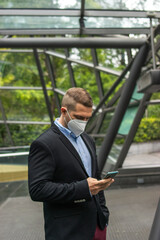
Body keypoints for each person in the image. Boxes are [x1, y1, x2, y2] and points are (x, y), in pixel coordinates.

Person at [28, 87, 114, 240]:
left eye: (88, 118)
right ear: (63, 111)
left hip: (97, 225)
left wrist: (103, 213)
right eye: (79, 117)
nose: (84, 122)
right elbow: (37, 189)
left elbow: (94, 176)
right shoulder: (44, 144)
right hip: (68, 231)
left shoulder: (88, 139)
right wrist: (83, 188)